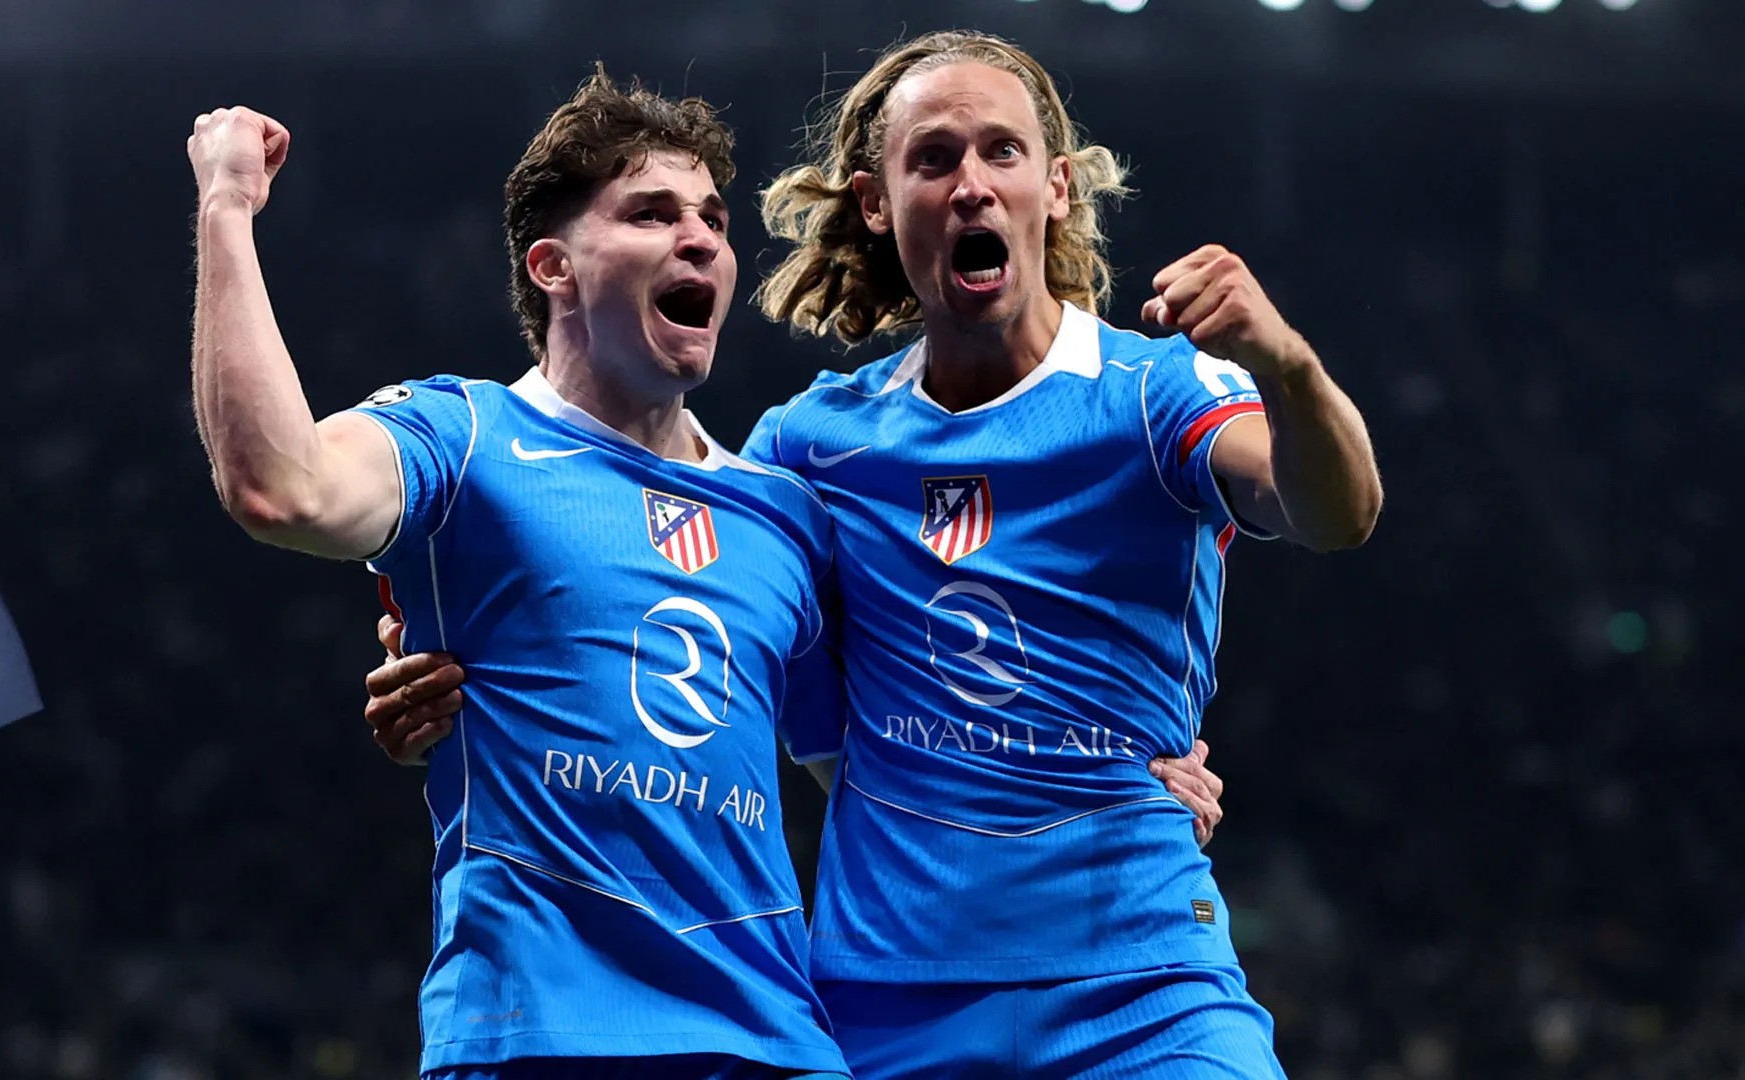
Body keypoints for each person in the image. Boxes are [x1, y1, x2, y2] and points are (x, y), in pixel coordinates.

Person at [365, 31, 1294, 1077]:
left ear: (1058, 186)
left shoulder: (1153, 390)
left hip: (1143, 974)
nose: (973, 185)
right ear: (876, 202)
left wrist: (1289, 367)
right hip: (885, 997)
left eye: (1002, 151)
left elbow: (1327, 506)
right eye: (934, 157)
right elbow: (692, 614)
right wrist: (464, 671)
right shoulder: (805, 452)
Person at [186, 71, 853, 1079]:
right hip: (537, 1039)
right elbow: (279, 486)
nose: (701, 239)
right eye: (651, 213)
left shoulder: (786, 516)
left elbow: (875, 783)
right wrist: (228, 207)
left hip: (772, 1047)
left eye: (712, 218)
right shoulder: (465, 439)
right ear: (554, 267)